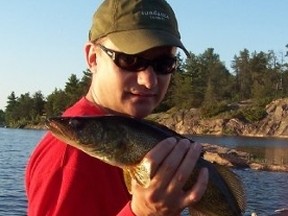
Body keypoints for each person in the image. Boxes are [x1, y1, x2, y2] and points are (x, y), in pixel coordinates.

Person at [25, 0, 209, 215]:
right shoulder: (71, 157)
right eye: (130, 60)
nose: (149, 81)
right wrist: (142, 213)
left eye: (164, 64)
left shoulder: (132, 130)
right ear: (93, 58)